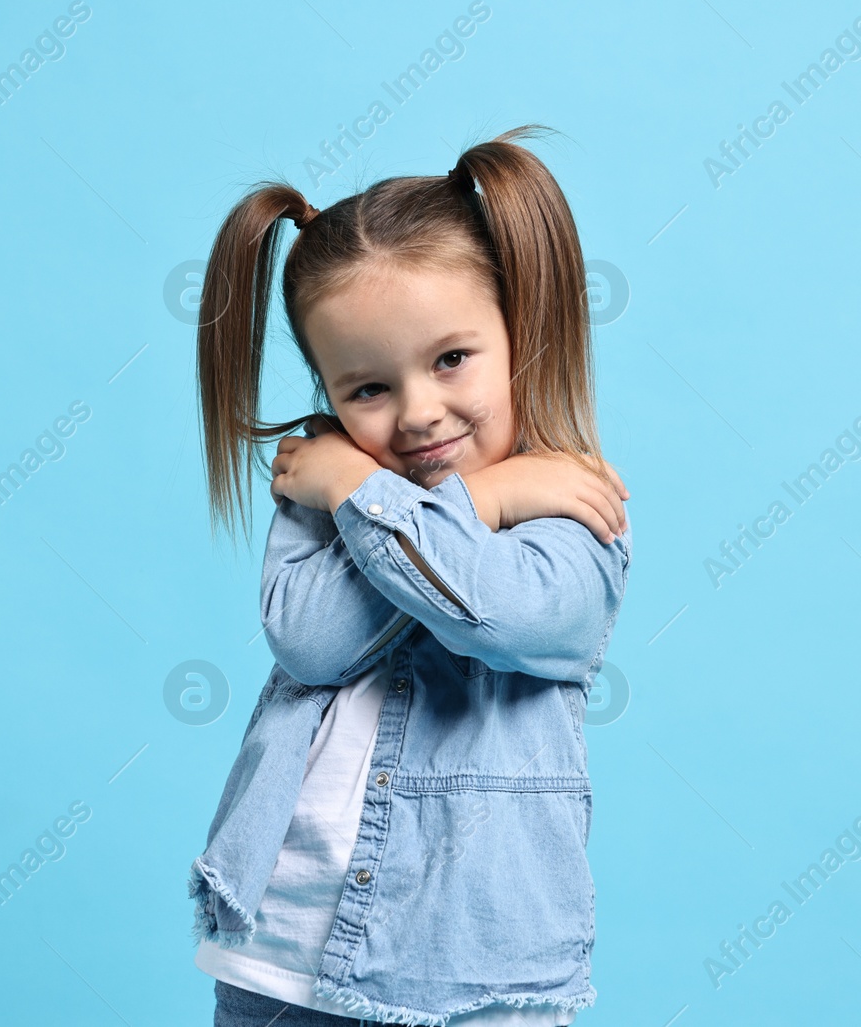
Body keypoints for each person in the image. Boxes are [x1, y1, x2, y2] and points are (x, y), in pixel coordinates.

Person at [188, 124, 633, 1027]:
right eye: (367, 389)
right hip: (280, 949)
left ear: (521, 330)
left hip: (468, 964)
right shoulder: (325, 482)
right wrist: (451, 495)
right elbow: (312, 642)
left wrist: (387, 495)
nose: (418, 414)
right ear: (327, 388)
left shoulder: (571, 509)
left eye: (451, 359)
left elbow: (490, 611)